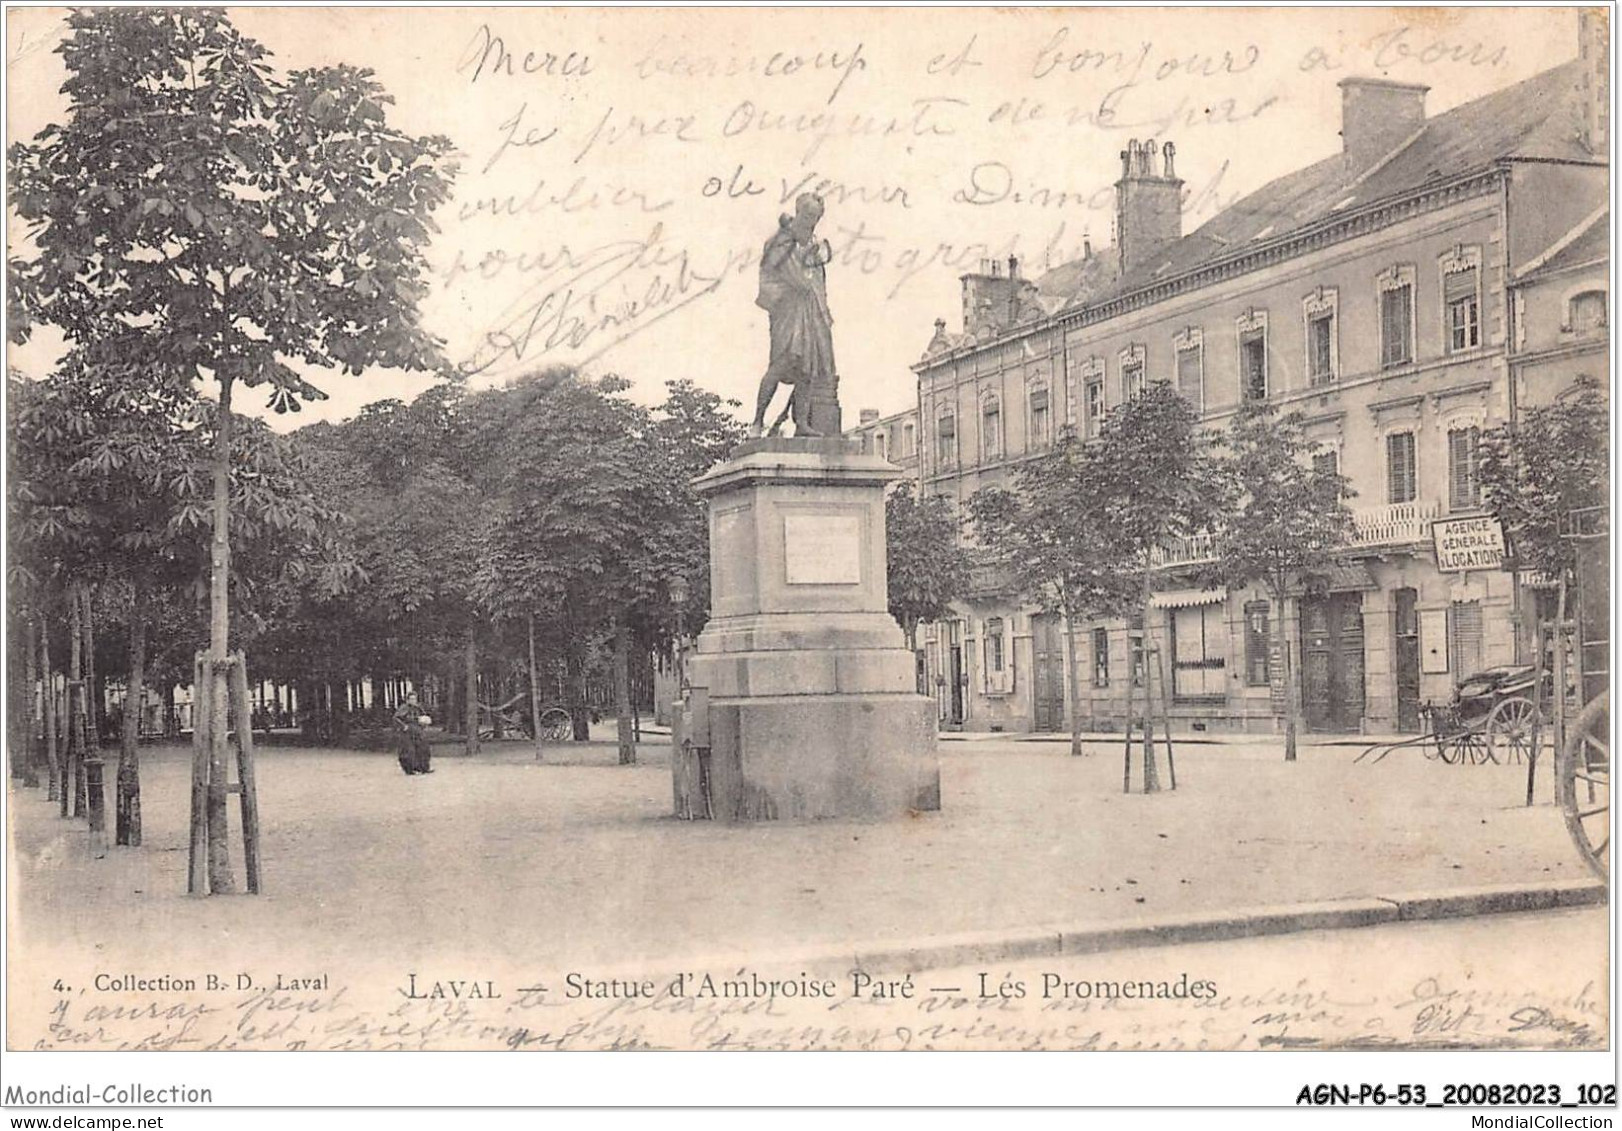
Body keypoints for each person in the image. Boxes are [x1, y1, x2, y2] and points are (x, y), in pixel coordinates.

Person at [751, 192, 837, 438]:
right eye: (808, 215)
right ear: (798, 212)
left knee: (808, 369)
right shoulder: (779, 242)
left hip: (811, 312)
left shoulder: (814, 244)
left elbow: (819, 281)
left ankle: (801, 422)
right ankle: (757, 421)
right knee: (780, 364)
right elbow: (776, 275)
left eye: (816, 217)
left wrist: (823, 309)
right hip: (787, 310)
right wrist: (798, 278)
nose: (812, 221)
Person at [394, 692, 432, 775]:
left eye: (414, 699)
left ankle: (423, 768)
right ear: (407, 700)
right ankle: (410, 769)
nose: (413, 701)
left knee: (423, 748)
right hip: (408, 732)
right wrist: (404, 726)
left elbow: (423, 716)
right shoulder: (403, 708)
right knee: (409, 750)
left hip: (418, 730)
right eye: (411, 699)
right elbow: (396, 718)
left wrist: (424, 722)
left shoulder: (418, 708)